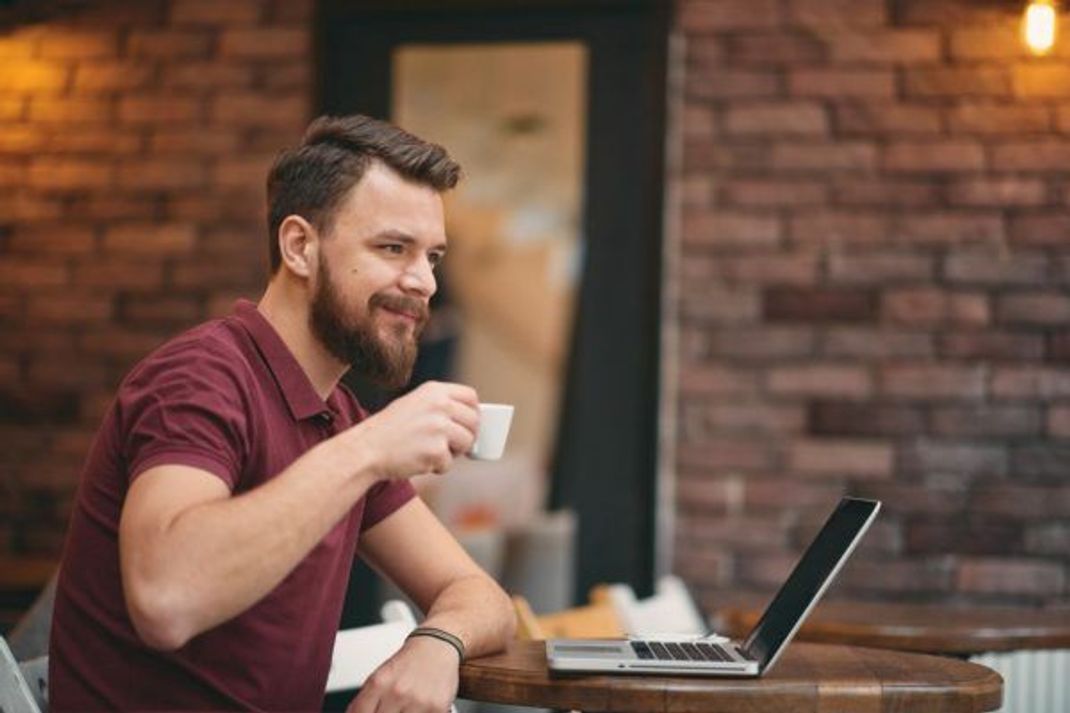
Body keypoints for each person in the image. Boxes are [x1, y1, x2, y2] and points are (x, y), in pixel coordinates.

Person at [49, 114, 517, 712]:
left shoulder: (337, 414)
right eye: (393, 248)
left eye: (434, 257)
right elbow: (168, 598)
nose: (424, 280)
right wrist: (371, 450)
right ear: (299, 246)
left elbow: (480, 596)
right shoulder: (199, 378)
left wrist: (438, 642)